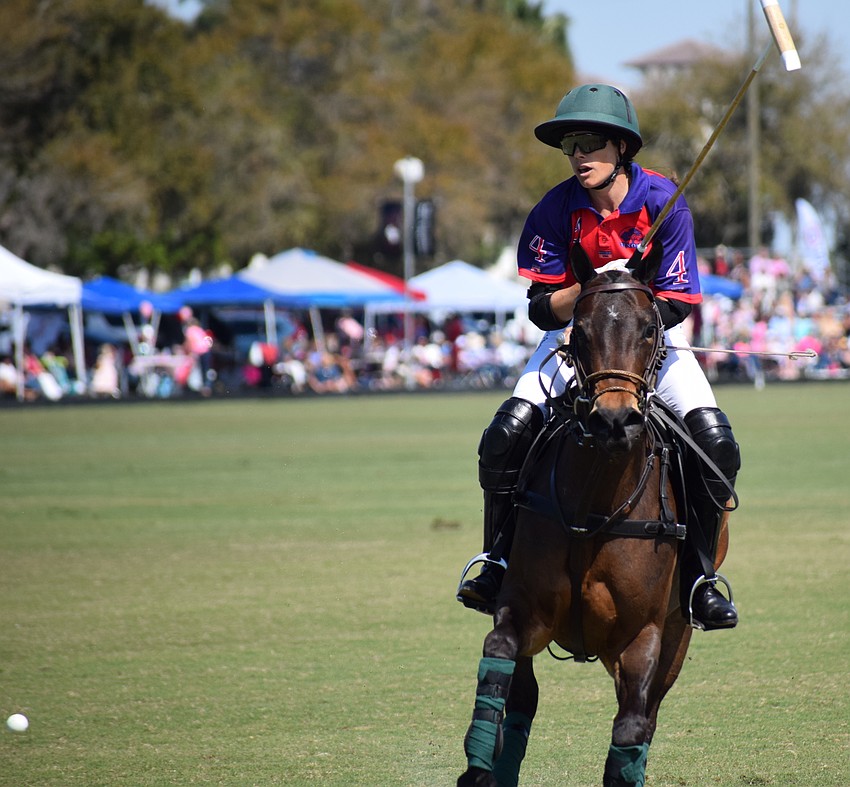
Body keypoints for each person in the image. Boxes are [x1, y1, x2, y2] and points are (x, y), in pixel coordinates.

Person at [456, 84, 741, 631]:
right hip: (575, 340)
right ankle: (494, 560)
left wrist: (627, 296)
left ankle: (701, 577)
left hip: (649, 338)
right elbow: (542, 309)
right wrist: (597, 290)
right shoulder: (555, 209)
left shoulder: (664, 202)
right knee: (503, 435)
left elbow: (678, 301)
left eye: (590, 142)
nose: (579, 155)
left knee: (716, 443)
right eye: (570, 145)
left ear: (621, 148)